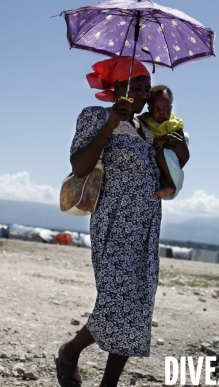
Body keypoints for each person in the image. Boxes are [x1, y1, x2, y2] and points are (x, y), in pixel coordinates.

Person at [55, 56, 189, 387]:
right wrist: (110, 125)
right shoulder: (95, 116)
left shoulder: (149, 128)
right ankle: (71, 349)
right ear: (117, 87)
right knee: (117, 298)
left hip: (146, 226)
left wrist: (177, 153)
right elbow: (80, 166)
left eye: (146, 87)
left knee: (138, 306)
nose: (143, 94)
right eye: (136, 86)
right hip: (114, 221)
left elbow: (167, 173)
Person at [139, 85, 186, 199]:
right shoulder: (147, 121)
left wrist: (162, 141)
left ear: (171, 107)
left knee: (159, 156)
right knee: (153, 163)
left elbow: (179, 139)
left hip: (170, 153)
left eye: (166, 109)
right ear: (149, 109)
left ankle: (171, 185)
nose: (162, 113)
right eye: (156, 109)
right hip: (158, 154)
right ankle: (165, 185)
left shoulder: (172, 123)